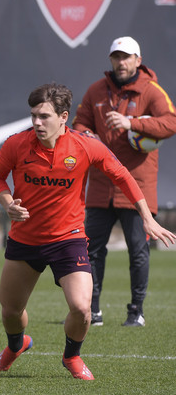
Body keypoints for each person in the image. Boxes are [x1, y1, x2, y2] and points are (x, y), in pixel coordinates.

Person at [0, 83, 175, 380]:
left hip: (68, 240)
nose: (37, 122)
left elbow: (123, 176)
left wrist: (146, 217)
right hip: (25, 239)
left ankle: (72, 356)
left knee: (82, 309)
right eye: (34, 115)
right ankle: (16, 344)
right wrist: (8, 203)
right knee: (10, 312)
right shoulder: (16, 144)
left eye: (44, 116)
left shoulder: (86, 145)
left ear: (63, 117)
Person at [72, 36, 176, 327]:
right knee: (90, 249)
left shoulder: (151, 91)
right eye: (116, 57)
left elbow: (171, 122)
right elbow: (79, 123)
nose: (121, 62)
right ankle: (92, 311)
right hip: (101, 186)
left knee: (138, 251)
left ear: (138, 61)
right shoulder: (96, 90)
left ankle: (136, 312)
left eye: (126, 57)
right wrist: (85, 135)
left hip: (137, 186)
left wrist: (134, 124)